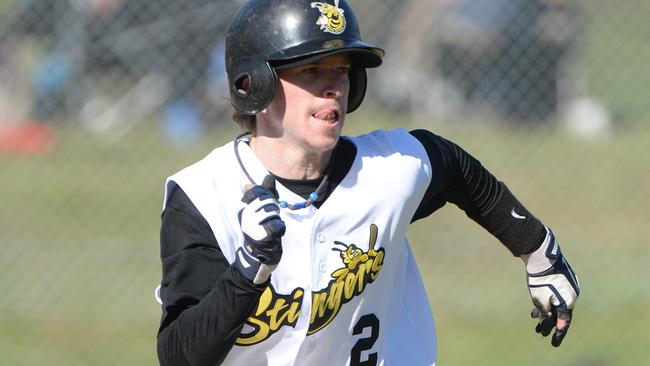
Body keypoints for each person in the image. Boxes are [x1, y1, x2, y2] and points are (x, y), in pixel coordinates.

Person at [155, 0, 580, 365]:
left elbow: (457, 170)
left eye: (341, 70)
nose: (333, 87)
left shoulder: (388, 168)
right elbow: (179, 354)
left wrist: (539, 250)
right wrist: (248, 272)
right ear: (253, 84)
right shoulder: (203, 196)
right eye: (312, 70)